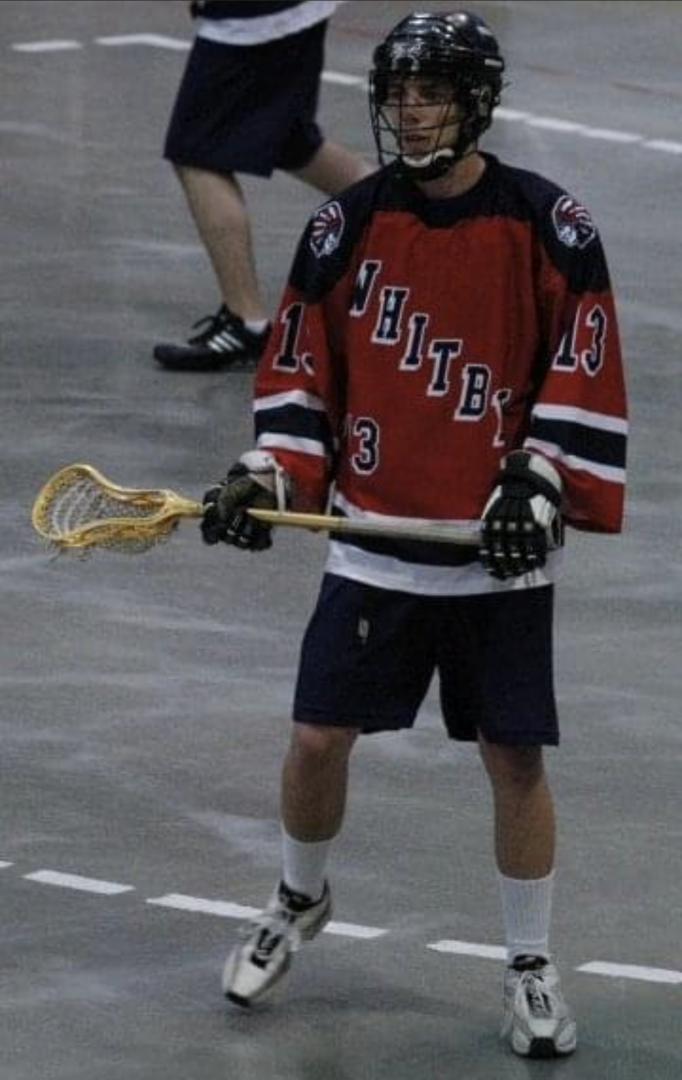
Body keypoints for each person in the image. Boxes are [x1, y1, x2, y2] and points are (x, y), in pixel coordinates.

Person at [200, 9, 628, 1059]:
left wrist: (537, 480)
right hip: (374, 545)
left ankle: (528, 961)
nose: (410, 111)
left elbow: (581, 370)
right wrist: (266, 471)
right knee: (314, 739)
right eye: (397, 94)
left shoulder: (548, 225)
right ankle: (299, 898)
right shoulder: (343, 226)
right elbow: (299, 376)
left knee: (513, 761)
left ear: (474, 103)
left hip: (492, 560)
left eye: (431, 93)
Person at [153, 0, 373, 371]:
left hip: (257, 14)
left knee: (197, 152)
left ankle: (246, 323)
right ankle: (416, 212)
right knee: (291, 141)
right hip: (292, 11)